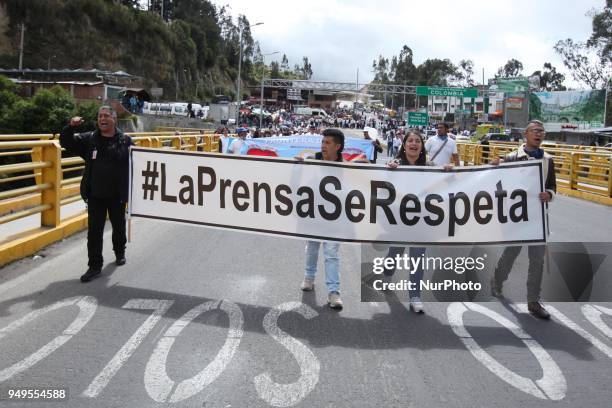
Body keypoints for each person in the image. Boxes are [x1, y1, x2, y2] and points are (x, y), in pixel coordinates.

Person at [489, 120, 556, 319]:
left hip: (538, 219)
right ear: (525, 134)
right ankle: (497, 280)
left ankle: (533, 301)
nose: (539, 134)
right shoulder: (511, 158)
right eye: (535, 131)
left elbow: (552, 186)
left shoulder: (548, 160)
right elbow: (496, 184)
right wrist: (493, 168)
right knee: (510, 255)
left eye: (542, 131)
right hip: (516, 219)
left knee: (537, 261)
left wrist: (549, 195)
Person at [59, 106, 132, 282]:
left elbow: (140, 164)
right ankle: (94, 266)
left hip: (117, 196)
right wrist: (70, 127)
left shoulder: (125, 141)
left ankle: (120, 251)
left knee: (119, 227)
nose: (102, 119)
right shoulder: (89, 139)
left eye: (107, 116)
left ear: (114, 119)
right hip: (95, 195)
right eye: (100, 116)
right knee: (94, 232)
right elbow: (67, 143)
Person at [385, 130, 453, 313]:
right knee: (394, 253)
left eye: (417, 141)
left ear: (422, 146)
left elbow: (447, 185)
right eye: (410, 141)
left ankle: (415, 296)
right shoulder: (395, 164)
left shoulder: (431, 166)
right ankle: (386, 277)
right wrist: (388, 170)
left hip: (421, 222)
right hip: (399, 221)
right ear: (404, 145)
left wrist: (447, 172)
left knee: (417, 259)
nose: (414, 144)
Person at [297, 128, 345, 310]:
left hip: (335, 219)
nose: (323, 146)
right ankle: (309, 277)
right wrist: (298, 166)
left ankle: (334, 292)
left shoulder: (347, 166)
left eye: (328, 143)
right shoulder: (312, 161)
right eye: (322, 142)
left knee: (332, 254)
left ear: (338, 147)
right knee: (311, 248)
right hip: (314, 216)